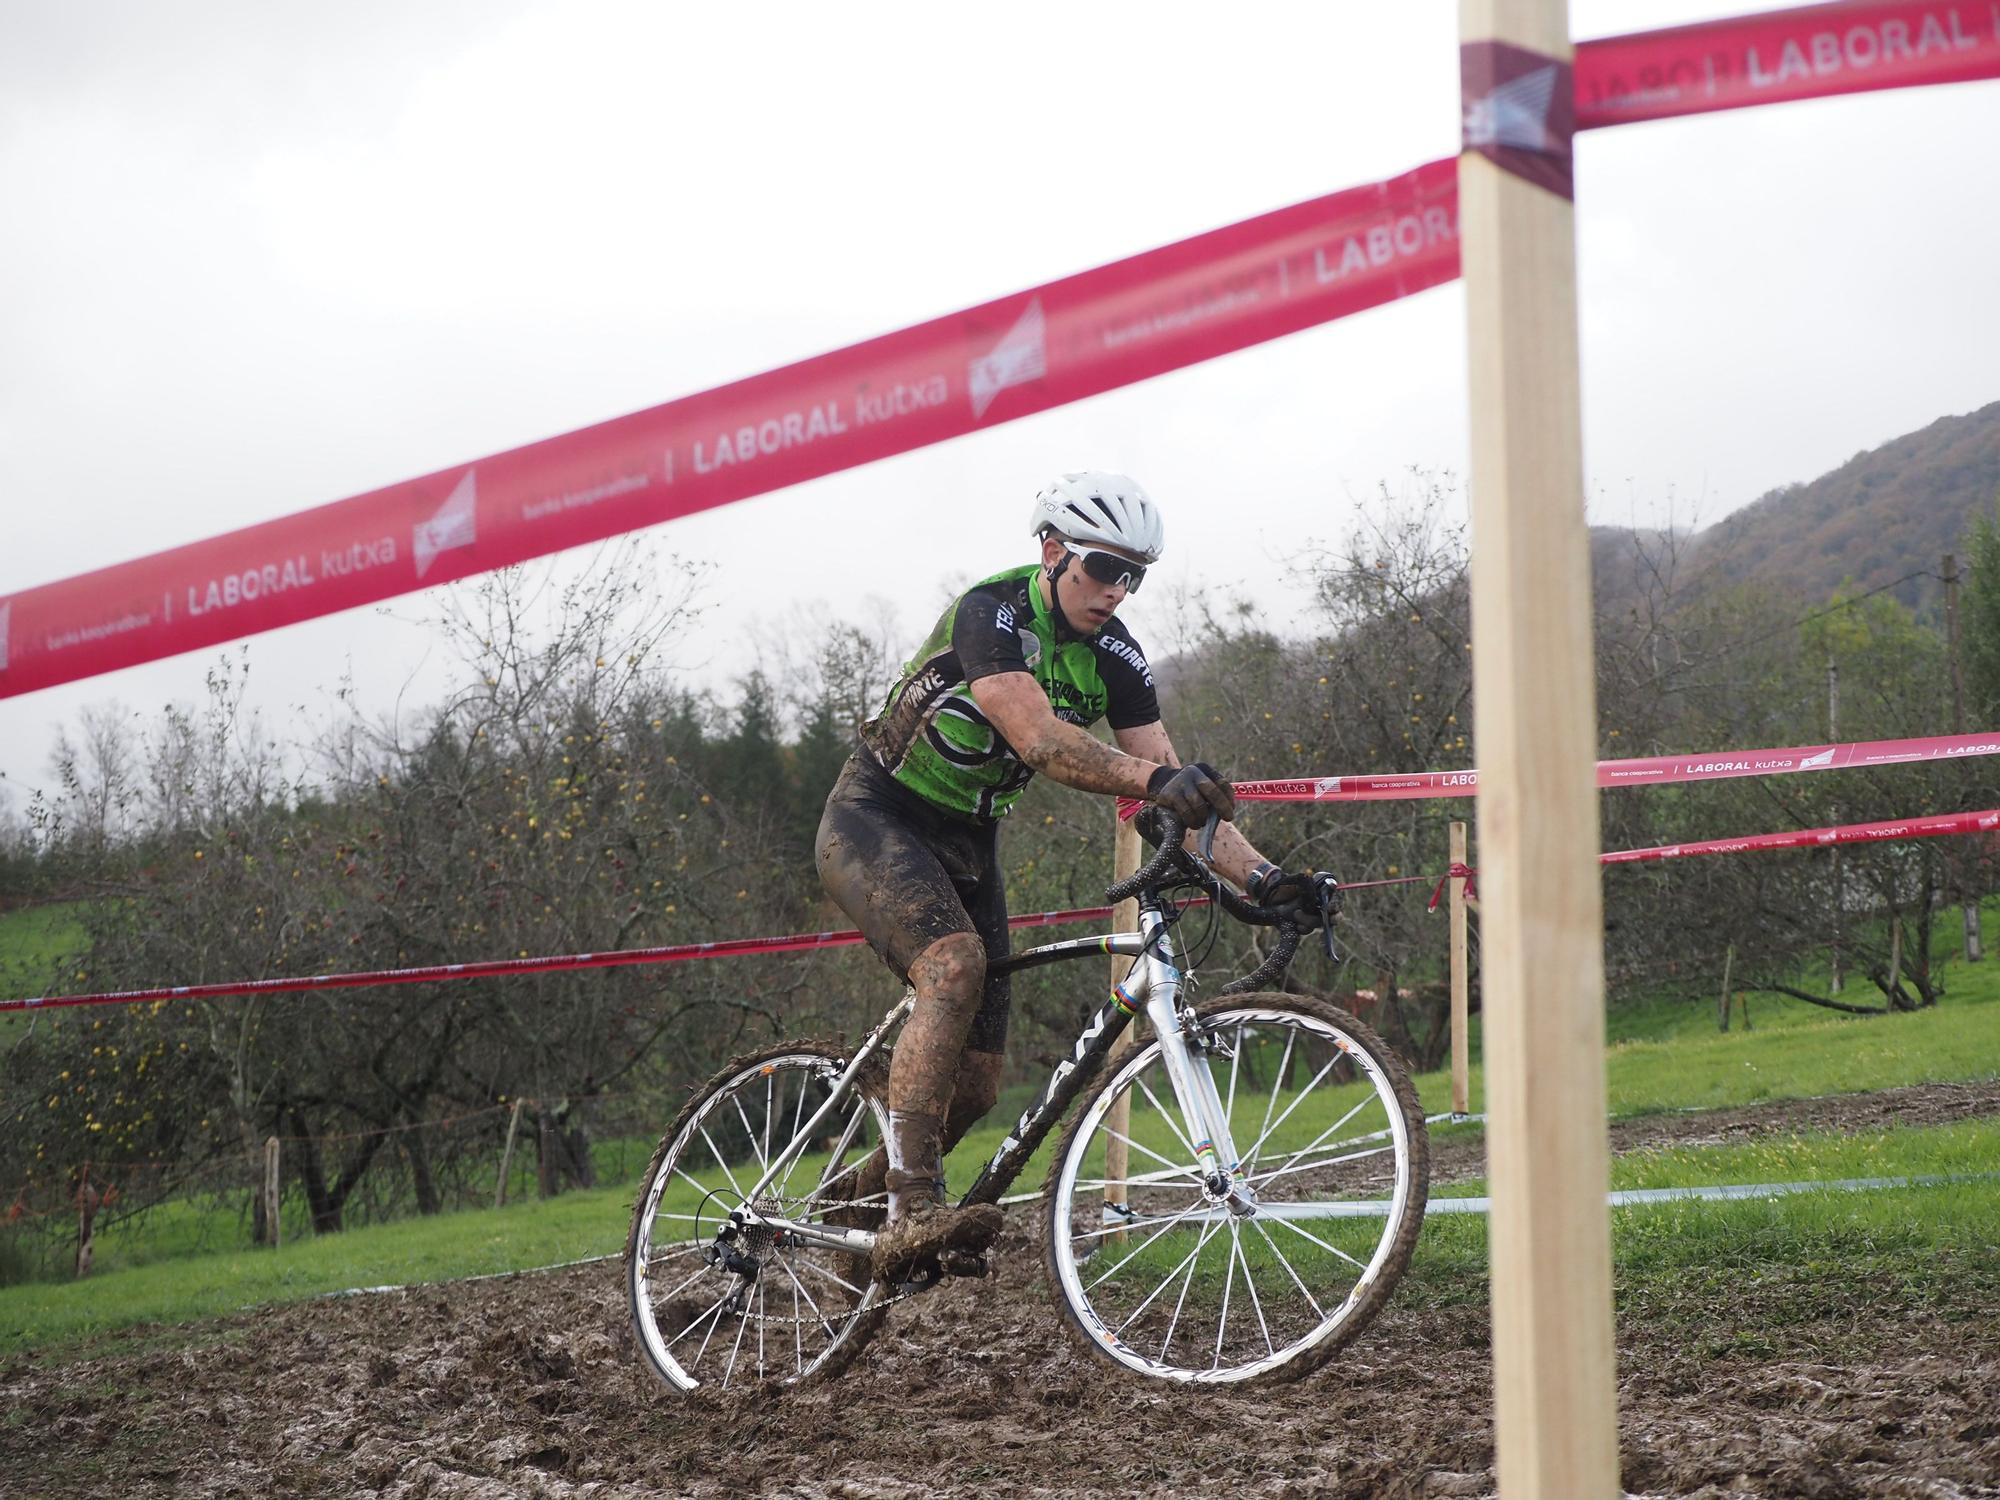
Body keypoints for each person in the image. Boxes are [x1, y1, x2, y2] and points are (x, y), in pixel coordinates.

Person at [815, 472, 1333, 1282]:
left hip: (969, 843)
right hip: (877, 817)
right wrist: (1156, 784)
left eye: (1134, 576)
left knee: (979, 1091)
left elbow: (1172, 786)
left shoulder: (1116, 657)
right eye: (1101, 567)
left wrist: (1267, 880)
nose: (1116, 590)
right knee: (951, 967)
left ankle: (845, 1208)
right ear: (1052, 550)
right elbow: (1041, 742)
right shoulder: (992, 613)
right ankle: (911, 1210)